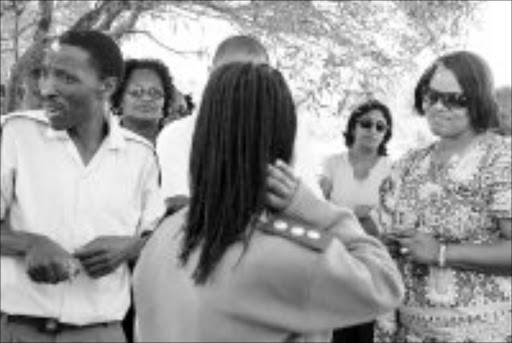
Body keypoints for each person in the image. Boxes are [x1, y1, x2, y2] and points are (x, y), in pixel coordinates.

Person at [133, 62, 404, 342]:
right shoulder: (289, 254)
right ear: (283, 140)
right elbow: (384, 284)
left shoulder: (164, 236)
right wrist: (316, 209)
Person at [0, 30, 165, 343]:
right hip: (18, 332)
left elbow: (160, 241)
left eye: (66, 78)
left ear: (107, 86)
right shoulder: (15, 135)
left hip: (102, 334)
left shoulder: (140, 156)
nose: (47, 89)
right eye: (45, 74)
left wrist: (132, 247)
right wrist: (30, 243)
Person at [375, 50, 511, 342]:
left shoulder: (501, 159)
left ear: (479, 101)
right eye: (431, 95)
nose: (438, 106)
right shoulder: (407, 165)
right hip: (411, 332)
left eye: (454, 99)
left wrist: (441, 253)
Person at [156, 35, 270, 216]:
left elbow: (305, 206)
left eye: (255, 76)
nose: (242, 84)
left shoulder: (288, 135)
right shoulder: (176, 136)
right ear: (211, 74)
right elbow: (180, 212)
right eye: (231, 73)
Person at [318, 99, 393, 343]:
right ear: (353, 127)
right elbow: (320, 206)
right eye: (366, 123)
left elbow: (395, 215)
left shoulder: (393, 169)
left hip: (375, 259)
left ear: (386, 134)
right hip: (337, 257)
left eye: (380, 127)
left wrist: (369, 214)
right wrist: (355, 214)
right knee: (339, 331)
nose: (373, 131)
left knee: (369, 331)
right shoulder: (332, 164)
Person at [110, 58, 174, 144]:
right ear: (119, 99)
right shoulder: (102, 145)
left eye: (155, 93)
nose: (146, 99)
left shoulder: (178, 143)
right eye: (136, 92)